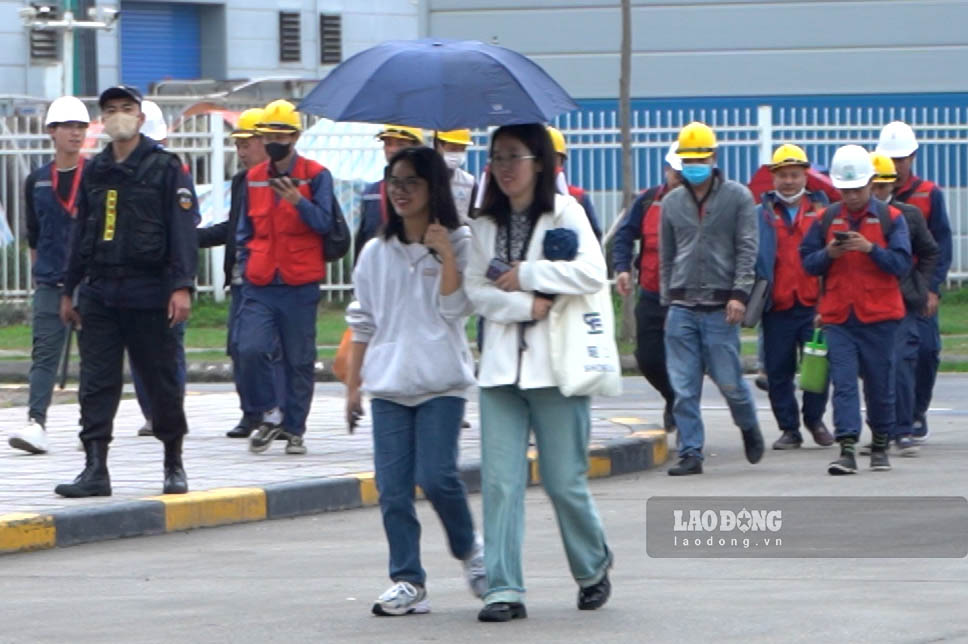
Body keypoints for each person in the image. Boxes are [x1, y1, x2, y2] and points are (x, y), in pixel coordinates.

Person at [465, 123, 612, 622]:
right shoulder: (484, 224)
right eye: (497, 157)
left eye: (515, 157)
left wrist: (528, 274)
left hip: (556, 369)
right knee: (501, 482)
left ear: (540, 162)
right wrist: (524, 305)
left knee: (563, 480)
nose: (504, 168)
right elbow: (476, 293)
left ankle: (592, 567)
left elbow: (592, 273)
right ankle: (503, 589)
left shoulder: (565, 213)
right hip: (501, 373)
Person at [345, 146, 485, 617]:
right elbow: (362, 320)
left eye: (411, 182)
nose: (400, 191)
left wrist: (445, 253)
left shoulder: (461, 243)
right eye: (394, 182)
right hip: (388, 386)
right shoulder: (375, 252)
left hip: (441, 382)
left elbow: (453, 310)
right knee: (392, 489)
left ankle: (471, 552)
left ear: (433, 189)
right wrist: (352, 387)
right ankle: (407, 580)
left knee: (438, 475)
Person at [56, 85, 197, 497]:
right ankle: (95, 467)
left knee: (160, 380)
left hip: (150, 290)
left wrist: (181, 287)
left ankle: (173, 462)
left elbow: (182, 232)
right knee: (96, 383)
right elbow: (82, 232)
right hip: (101, 292)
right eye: (111, 109)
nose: (119, 115)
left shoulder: (166, 167)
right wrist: (69, 289)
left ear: (139, 117)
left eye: (126, 108)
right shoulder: (96, 169)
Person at [799, 144, 911, 475]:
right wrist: (829, 254)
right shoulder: (825, 219)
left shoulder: (893, 219)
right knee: (844, 383)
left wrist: (871, 249)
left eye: (857, 189)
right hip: (838, 317)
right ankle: (846, 447)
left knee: (879, 383)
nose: (851, 196)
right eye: (845, 190)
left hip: (880, 317)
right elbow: (807, 262)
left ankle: (879, 443)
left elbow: (902, 264)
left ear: (871, 183)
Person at [660, 121, 764, 476]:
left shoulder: (738, 197)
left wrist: (740, 294)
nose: (693, 166)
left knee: (729, 381)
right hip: (682, 304)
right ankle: (691, 451)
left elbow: (747, 247)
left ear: (714, 157)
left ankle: (748, 423)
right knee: (683, 386)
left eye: (699, 158)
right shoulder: (671, 203)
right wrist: (667, 299)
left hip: (722, 306)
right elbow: (666, 254)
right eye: (687, 160)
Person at [236, 99, 335, 455]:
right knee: (248, 348)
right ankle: (269, 413)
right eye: (268, 134)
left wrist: (298, 201)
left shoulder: (315, 174)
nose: (275, 139)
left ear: (295, 136)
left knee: (298, 359)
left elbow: (326, 223)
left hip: (299, 281)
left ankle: (294, 428)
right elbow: (245, 228)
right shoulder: (253, 178)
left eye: (281, 133)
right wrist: (245, 261)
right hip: (261, 279)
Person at [7, 96, 89, 454]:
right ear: (52, 132)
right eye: (68, 126)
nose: (75, 133)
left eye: (81, 127)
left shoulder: (97, 176)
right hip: (50, 282)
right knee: (44, 354)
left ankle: (92, 425)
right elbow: (34, 234)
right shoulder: (37, 180)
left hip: (91, 284)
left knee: (96, 355)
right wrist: (42, 274)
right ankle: (35, 421)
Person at [197, 108, 285, 439]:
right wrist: (193, 238)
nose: (242, 151)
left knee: (263, 348)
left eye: (247, 143)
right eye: (238, 145)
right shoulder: (241, 182)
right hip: (239, 278)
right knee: (237, 346)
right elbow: (232, 228)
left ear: (265, 142)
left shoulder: (278, 181)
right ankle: (251, 413)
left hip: (266, 279)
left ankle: (274, 411)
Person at [875, 121, 952, 444]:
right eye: (891, 159)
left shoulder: (928, 193)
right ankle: (899, 417)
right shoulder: (872, 192)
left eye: (902, 159)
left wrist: (932, 287)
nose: (897, 165)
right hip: (887, 286)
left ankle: (918, 410)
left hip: (919, 286)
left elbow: (942, 243)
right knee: (893, 356)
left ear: (913, 157)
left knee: (927, 351)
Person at [754, 144, 834, 450]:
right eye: (783, 175)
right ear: (773, 178)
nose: (789, 182)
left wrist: (827, 302)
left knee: (818, 370)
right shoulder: (759, 215)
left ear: (806, 176)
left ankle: (814, 420)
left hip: (814, 304)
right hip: (777, 305)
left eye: (795, 175)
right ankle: (789, 429)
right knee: (778, 372)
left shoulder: (822, 213)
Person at [860, 152, 938, 457]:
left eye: (883, 186)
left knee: (904, 361)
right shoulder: (851, 217)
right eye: (873, 186)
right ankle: (881, 431)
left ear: (892, 186)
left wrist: (923, 286)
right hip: (867, 301)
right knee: (873, 368)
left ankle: (904, 429)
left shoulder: (909, 215)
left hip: (902, 300)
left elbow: (931, 252)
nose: (878, 192)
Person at [611, 141, 682, 432]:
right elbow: (624, 236)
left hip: (689, 298)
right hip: (652, 293)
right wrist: (622, 268)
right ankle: (673, 396)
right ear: (666, 170)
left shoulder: (706, 205)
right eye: (675, 171)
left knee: (686, 358)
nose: (680, 177)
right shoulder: (648, 200)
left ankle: (685, 414)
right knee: (648, 357)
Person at [129, 99, 188, 438]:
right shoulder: (119, 170)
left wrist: (182, 280)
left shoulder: (175, 170)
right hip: (136, 276)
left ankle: (169, 411)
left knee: (168, 348)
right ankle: (152, 413)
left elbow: (185, 224)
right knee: (139, 349)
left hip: (166, 274)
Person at [354, 125, 423, 261]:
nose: (392, 150)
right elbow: (362, 241)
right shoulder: (371, 194)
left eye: (400, 144)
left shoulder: (427, 191)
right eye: (388, 143)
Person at [546, 126, 603, 240]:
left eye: (552, 158)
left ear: (561, 161)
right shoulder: (524, 198)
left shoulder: (578, 197)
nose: (548, 164)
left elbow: (594, 238)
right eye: (544, 158)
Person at [434, 129, 478, 222]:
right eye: (453, 149)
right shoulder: (423, 178)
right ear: (438, 146)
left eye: (462, 149)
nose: (458, 154)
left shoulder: (469, 182)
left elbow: (475, 219)